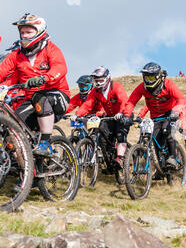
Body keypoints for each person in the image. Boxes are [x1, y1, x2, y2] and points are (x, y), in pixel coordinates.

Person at [0, 13, 71, 157]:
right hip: (30, 100)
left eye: (29, 32)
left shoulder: (50, 49)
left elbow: (61, 68)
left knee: (40, 97)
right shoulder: (16, 55)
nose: (25, 35)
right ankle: (29, 169)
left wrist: (45, 78)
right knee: (14, 123)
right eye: (22, 32)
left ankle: (45, 142)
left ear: (39, 31)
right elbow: (2, 72)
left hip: (57, 94)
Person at [123, 62, 186, 168]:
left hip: (170, 113)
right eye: (146, 78)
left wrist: (176, 112)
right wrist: (126, 115)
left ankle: (173, 157)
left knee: (167, 131)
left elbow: (181, 99)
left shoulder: (168, 84)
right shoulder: (142, 87)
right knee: (154, 140)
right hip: (155, 116)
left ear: (159, 77)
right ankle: (159, 169)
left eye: (151, 78)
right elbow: (131, 102)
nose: (148, 80)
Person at [72, 67, 130, 168]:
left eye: (101, 80)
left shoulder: (116, 86)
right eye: (96, 81)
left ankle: (120, 158)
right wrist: (77, 115)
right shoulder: (95, 91)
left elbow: (124, 101)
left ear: (107, 78)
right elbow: (87, 105)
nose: (98, 83)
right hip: (109, 117)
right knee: (102, 134)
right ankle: (109, 162)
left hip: (123, 114)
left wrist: (121, 113)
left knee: (120, 134)